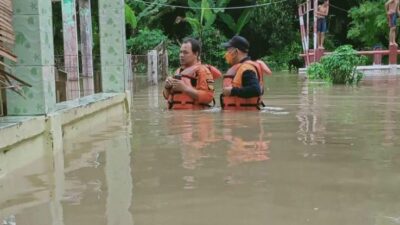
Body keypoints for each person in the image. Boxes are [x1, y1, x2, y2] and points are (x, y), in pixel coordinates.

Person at [163, 38, 220, 110]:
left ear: (196, 54)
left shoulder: (203, 71)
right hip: (177, 117)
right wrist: (167, 87)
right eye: (180, 52)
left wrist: (185, 88)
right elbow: (167, 97)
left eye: (185, 52)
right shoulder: (178, 71)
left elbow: (208, 97)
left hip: (194, 118)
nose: (181, 55)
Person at [220, 35, 271, 110]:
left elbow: (255, 90)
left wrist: (232, 91)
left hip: (246, 117)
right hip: (243, 115)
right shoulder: (244, 66)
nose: (226, 53)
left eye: (229, 50)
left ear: (236, 51)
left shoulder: (247, 69)